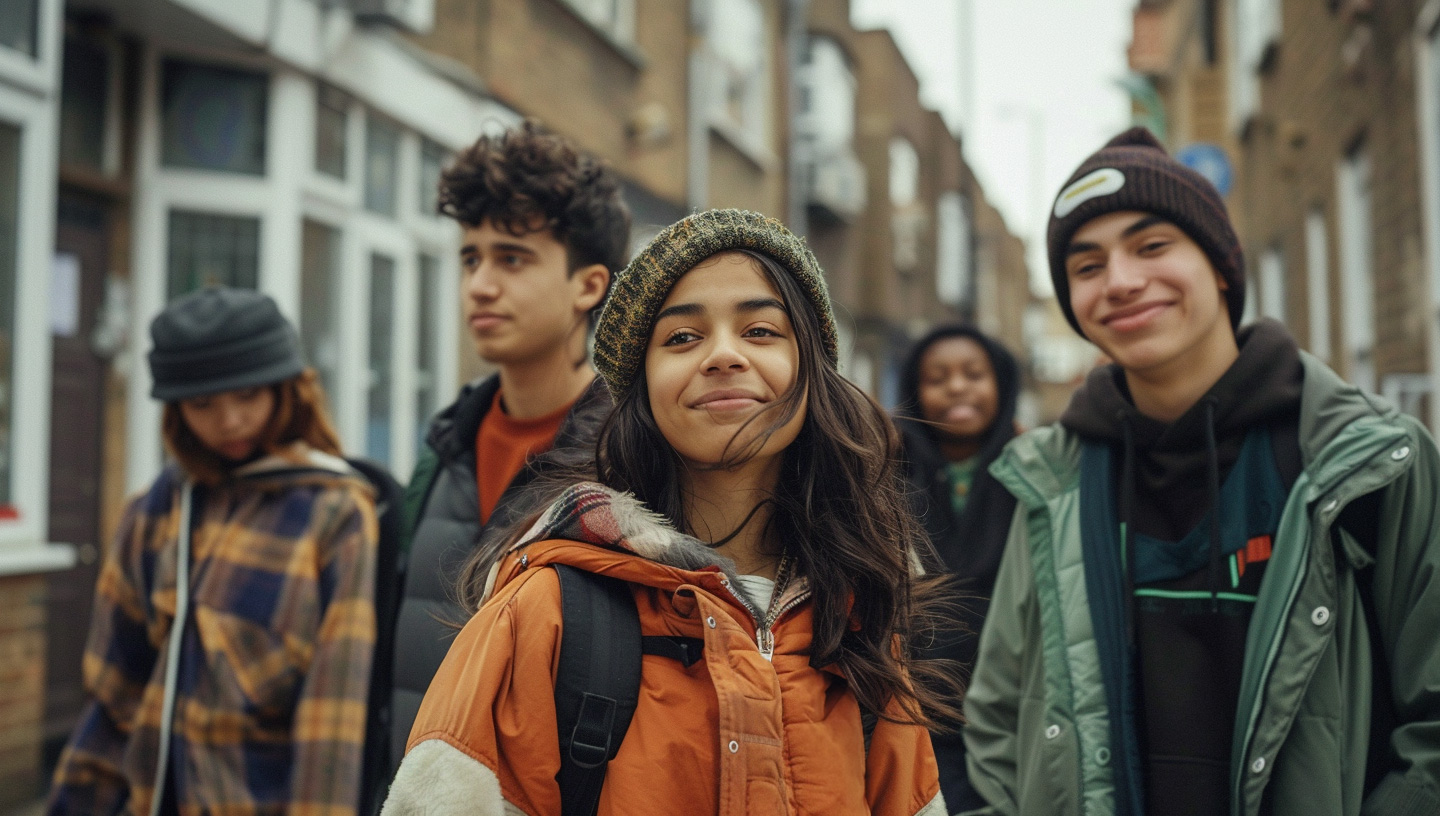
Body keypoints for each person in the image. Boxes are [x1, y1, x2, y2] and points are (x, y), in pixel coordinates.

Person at [380, 209, 956, 814]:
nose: (724, 355)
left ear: (811, 371)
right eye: (682, 338)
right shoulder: (544, 612)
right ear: (643, 393)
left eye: (761, 331)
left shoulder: (857, 617)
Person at [959, 127, 1440, 816]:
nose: (1121, 281)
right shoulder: (1051, 482)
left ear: (1219, 264)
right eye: (1087, 265)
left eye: (1153, 246)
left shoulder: (1369, 462)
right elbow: (1001, 720)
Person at [47, 287, 379, 816]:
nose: (229, 421)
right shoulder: (155, 512)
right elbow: (113, 702)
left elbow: (332, 727)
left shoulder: (334, 514)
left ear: (286, 390)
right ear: (177, 411)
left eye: (248, 397)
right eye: (203, 404)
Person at [374, 121, 628, 800]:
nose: (480, 285)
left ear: (588, 285)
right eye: (470, 258)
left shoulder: (629, 464)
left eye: (512, 259)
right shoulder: (444, 449)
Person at [895, 325, 1021, 810]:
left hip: (1010, 710)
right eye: (937, 377)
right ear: (913, 390)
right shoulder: (881, 475)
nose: (957, 388)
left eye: (974, 374)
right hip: (913, 712)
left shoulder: (1034, 474)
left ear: (1002, 385)